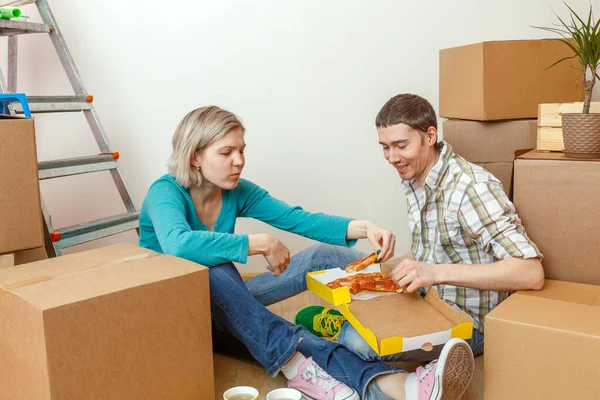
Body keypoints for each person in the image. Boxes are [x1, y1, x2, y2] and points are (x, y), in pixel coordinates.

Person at [138, 105, 476, 400]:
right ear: (195, 156)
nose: (238, 161)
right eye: (226, 153)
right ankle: (385, 382)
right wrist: (259, 243)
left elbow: (297, 218)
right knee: (219, 272)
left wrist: (364, 227)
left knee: (324, 257)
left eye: (242, 150)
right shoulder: (164, 193)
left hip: (230, 301)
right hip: (181, 317)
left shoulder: (235, 191)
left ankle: (401, 351)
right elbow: (178, 244)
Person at [333, 93, 545, 364]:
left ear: (430, 136)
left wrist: (433, 273)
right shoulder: (416, 179)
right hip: (427, 301)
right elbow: (438, 251)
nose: (391, 157)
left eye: (401, 145)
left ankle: (416, 385)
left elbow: (530, 272)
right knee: (330, 261)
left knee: (353, 340)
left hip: (469, 324)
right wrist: (391, 268)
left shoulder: (471, 188)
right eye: (385, 147)